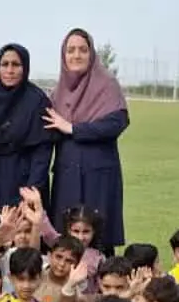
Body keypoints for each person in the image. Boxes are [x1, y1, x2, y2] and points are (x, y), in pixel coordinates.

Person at [46, 28, 130, 252]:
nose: (76, 55)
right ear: (63, 55)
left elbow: (117, 122)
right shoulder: (58, 92)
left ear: (91, 54)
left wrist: (73, 128)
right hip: (67, 175)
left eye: (83, 50)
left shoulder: (107, 84)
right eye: (71, 50)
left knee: (99, 239)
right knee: (66, 241)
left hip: (98, 175)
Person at [0, 43, 54, 217]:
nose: (10, 70)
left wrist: (31, 192)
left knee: (22, 229)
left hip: (23, 182)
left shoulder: (37, 101)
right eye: (4, 64)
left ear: (25, 68)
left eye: (16, 64)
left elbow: (42, 152)